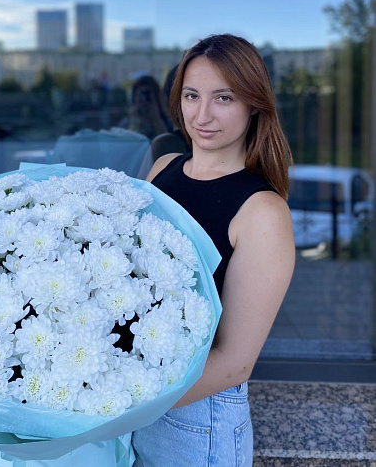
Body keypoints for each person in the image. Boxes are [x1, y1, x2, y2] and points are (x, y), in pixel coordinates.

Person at [132, 34, 295, 467]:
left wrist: (120, 399)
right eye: (191, 96)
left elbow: (235, 362)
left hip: (196, 421)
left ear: (253, 105)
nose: (201, 115)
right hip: (134, 400)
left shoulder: (262, 211)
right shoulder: (164, 169)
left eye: (223, 98)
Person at [118, 74, 172, 140]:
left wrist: (156, 119)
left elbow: (168, 144)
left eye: (147, 95)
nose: (143, 100)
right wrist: (134, 122)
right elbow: (125, 144)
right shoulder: (126, 123)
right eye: (140, 95)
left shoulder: (168, 124)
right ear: (134, 97)